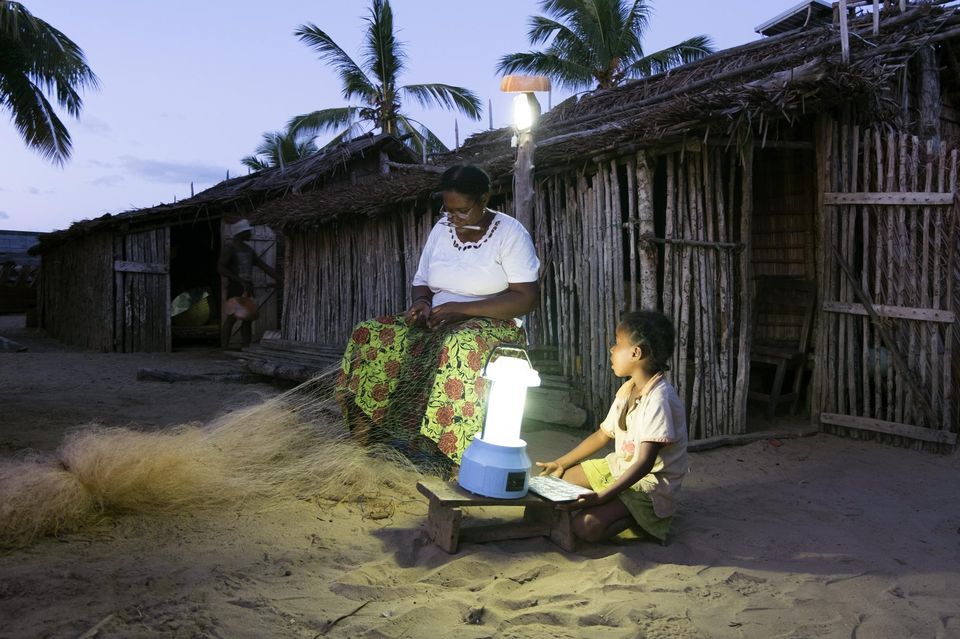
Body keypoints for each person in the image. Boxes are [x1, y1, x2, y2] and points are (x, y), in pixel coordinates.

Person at [335, 165, 540, 473]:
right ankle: (366, 436)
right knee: (369, 333)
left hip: (493, 324)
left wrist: (463, 310)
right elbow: (423, 281)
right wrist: (420, 304)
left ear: (485, 198)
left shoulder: (510, 234)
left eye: (463, 210)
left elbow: (525, 298)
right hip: (441, 318)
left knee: (459, 344)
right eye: (449, 210)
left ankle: (455, 456)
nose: (455, 218)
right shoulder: (441, 229)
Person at [536, 310, 688, 544]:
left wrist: (601, 497)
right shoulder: (628, 389)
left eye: (617, 344)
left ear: (636, 353)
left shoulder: (659, 399)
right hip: (620, 467)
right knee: (552, 484)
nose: (612, 350)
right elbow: (601, 436)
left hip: (650, 484)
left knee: (585, 527)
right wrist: (561, 463)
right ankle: (613, 504)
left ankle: (640, 520)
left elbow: (644, 464)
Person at [217, 219, 278, 349]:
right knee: (232, 318)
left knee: (247, 319)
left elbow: (264, 266)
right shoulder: (230, 248)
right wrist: (238, 279)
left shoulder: (248, 250)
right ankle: (224, 348)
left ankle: (246, 347)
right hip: (235, 287)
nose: (251, 234)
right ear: (242, 233)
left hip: (247, 287)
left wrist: (280, 278)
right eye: (248, 232)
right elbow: (221, 268)